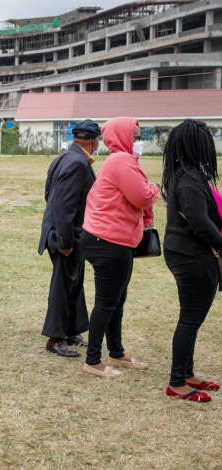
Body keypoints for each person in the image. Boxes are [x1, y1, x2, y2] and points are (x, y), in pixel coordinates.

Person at [80, 117, 158, 377]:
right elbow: (142, 196)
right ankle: (92, 360)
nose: (139, 141)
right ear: (123, 137)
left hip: (112, 240)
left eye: (139, 136)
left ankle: (117, 352)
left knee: (117, 299)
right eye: (135, 136)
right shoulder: (122, 162)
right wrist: (154, 188)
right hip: (108, 241)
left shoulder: (123, 161)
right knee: (107, 301)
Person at [161, 119, 222, 403]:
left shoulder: (185, 173)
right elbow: (200, 223)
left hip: (184, 252)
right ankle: (177, 382)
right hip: (191, 255)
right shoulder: (188, 179)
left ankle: (186, 373)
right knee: (190, 319)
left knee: (192, 318)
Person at [38, 120, 100, 357]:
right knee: (63, 286)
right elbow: (64, 206)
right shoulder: (78, 163)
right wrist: (64, 242)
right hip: (66, 236)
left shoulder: (64, 157)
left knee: (74, 283)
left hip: (65, 232)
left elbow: (48, 194)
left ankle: (72, 329)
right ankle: (56, 338)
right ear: (94, 141)